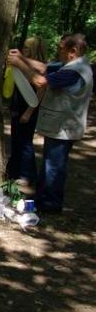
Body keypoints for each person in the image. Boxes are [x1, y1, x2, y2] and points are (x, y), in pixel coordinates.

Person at [7, 33, 93, 214]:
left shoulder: (73, 71)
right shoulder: (74, 64)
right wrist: (23, 58)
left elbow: (40, 81)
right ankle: (44, 198)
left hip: (64, 127)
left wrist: (20, 64)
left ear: (73, 51)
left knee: (54, 165)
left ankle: (49, 204)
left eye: (61, 49)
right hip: (61, 125)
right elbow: (45, 67)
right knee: (51, 163)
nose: (58, 52)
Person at [5, 36, 46, 188]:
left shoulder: (38, 67)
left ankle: (27, 174)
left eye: (28, 48)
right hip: (17, 106)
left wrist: (29, 112)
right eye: (24, 47)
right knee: (15, 141)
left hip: (28, 108)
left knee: (25, 142)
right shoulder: (21, 64)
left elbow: (41, 90)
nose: (24, 50)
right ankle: (13, 171)